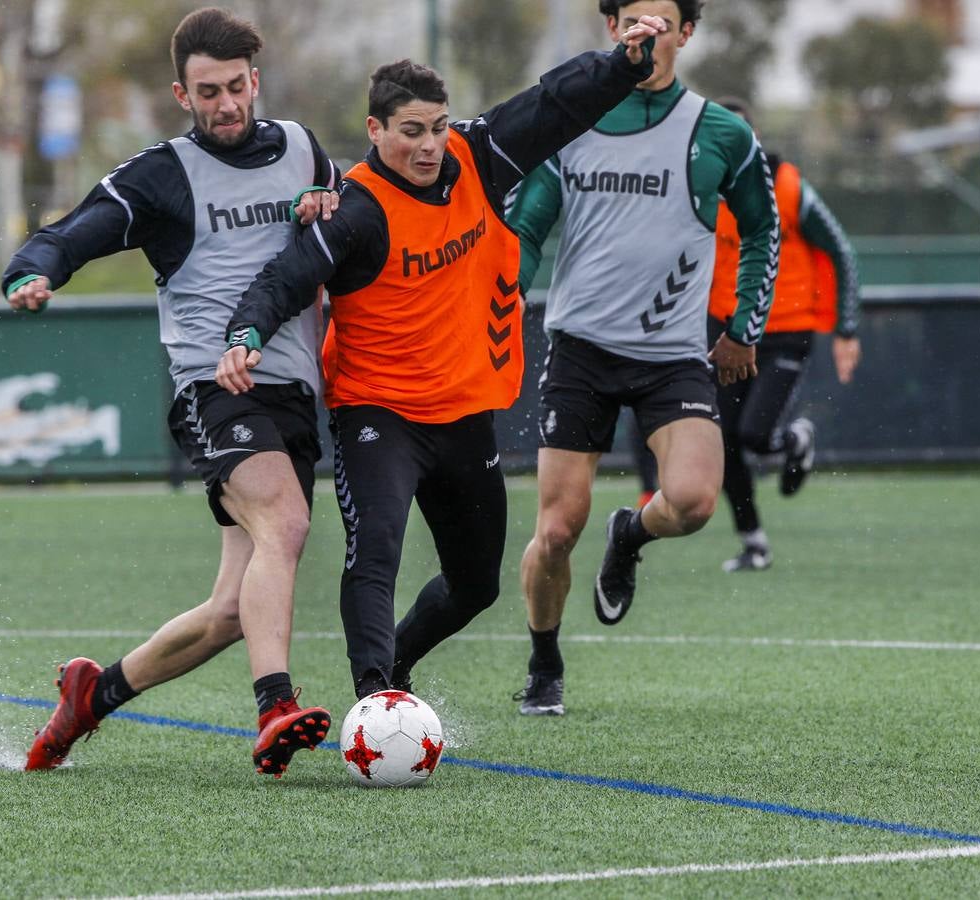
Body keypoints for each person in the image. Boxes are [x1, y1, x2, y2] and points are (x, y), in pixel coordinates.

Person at [217, 16, 669, 700]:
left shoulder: (476, 157)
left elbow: (552, 104)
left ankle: (395, 663)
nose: (430, 145)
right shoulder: (357, 212)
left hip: (462, 415)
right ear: (376, 132)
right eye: (411, 131)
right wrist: (246, 335)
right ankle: (374, 696)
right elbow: (286, 277)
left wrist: (625, 63)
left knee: (477, 583)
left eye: (437, 127)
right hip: (378, 415)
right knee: (376, 555)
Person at [1, 8, 341, 778]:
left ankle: (94, 694)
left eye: (235, 87)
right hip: (212, 391)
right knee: (284, 525)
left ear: (256, 80)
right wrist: (36, 267)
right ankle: (275, 705)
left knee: (229, 611)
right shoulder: (164, 173)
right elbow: (79, 227)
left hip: (292, 393)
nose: (225, 104)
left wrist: (330, 204)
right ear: (181, 95)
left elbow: (345, 231)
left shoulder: (301, 149)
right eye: (207, 91)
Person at [504, 0, 780, 715]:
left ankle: (630, 532)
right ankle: (544, 662)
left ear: (687, 33)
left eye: (663, 22)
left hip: (672, 356)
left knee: (691, 502)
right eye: (634, 21)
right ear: (612, 29)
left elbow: (762, 232)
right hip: (581, 351)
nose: (647, 34)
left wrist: (745, 328)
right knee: (557, 529)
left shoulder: (720, 132)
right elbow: (525, 230)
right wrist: (498, 306)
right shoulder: (569, 122)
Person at [709, 97, 861, 573]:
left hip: (785, 330)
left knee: (754, 434)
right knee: (723, 441)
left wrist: (846, 328)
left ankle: (794, 440)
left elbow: (840, 249)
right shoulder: (700, 191)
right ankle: (753, 541)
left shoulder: (788, 187)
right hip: (727, 330)